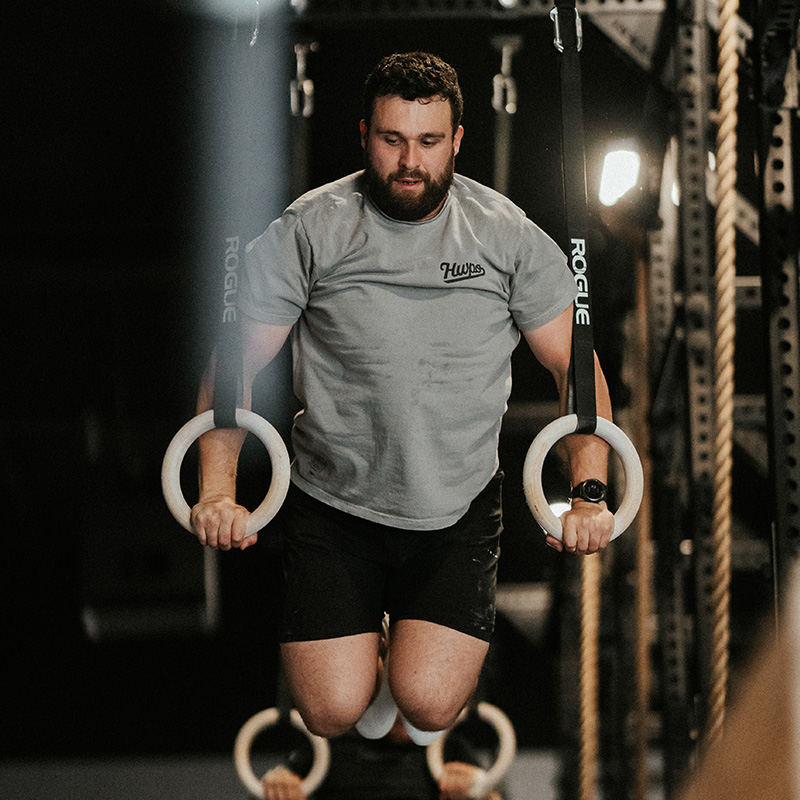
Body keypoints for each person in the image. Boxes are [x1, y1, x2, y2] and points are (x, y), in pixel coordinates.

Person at [191, 52, 615, 745]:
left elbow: (575, 364)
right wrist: (217, 489)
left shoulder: (504, 235)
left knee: (430, 705)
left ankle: (399, 661)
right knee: (330, 712)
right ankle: (371, 656)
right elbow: (236, 361)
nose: (410, 161)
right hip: (335, 505)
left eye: (428, 141)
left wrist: (589, 493)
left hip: (454, 509)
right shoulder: (311, 228)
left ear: (457, 141)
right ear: (365, 135)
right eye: (392, 140)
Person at [256, 714, 503, 800]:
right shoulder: (327, 747)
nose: (399, 712)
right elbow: (273, 790)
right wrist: (277, 788)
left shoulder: (449, 749)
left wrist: (479, 792)